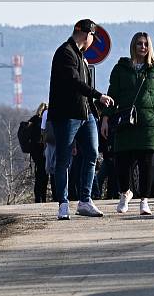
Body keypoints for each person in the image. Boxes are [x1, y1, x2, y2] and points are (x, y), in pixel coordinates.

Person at [47, 18, 114, 220]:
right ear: (88, 35)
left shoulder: (82, 57)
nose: (93, 41)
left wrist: (95, 110)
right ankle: (63, 204)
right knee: (63, 160)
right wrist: (98, 95)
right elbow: (74, 82)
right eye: (93, 37)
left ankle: (85, 201)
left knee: (92, 153)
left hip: (86, 115)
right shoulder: (65, 53)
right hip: (67, 116)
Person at [101, 31, 154, 215]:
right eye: (139, 43)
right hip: (126, 122)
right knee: (121, 161)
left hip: (149, 123)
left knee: (145, 162)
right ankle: (125, 193)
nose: (143, 47)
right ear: (133, 45)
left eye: (146, 44)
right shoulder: (120, 69)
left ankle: (144, 201)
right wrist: (106, 119)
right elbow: (112, 95)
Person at [28, 102, 49, 203]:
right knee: (45, 174)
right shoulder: (45, 120)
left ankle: (38, 197)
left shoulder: (32, 120)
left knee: (38, 174)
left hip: (34, 151)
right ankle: (43, 197)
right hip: (42, 149)